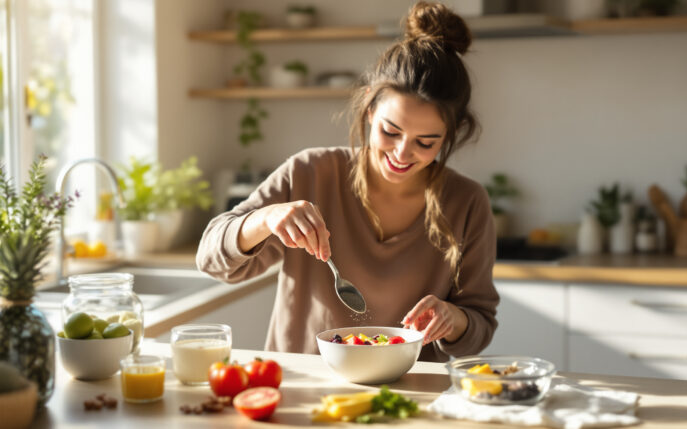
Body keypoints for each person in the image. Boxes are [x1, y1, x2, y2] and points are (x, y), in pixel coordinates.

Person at [196, 1, 498, 362]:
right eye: (390, 131)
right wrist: (265, 219)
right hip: (303, 389)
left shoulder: (466, 202)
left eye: (426, 142)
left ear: (451, 134)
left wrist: (456, 319)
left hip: (408, 396)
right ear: (370, 108)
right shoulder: (309, 172)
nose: (402, 153)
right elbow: (212, 261)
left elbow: (479, 327)